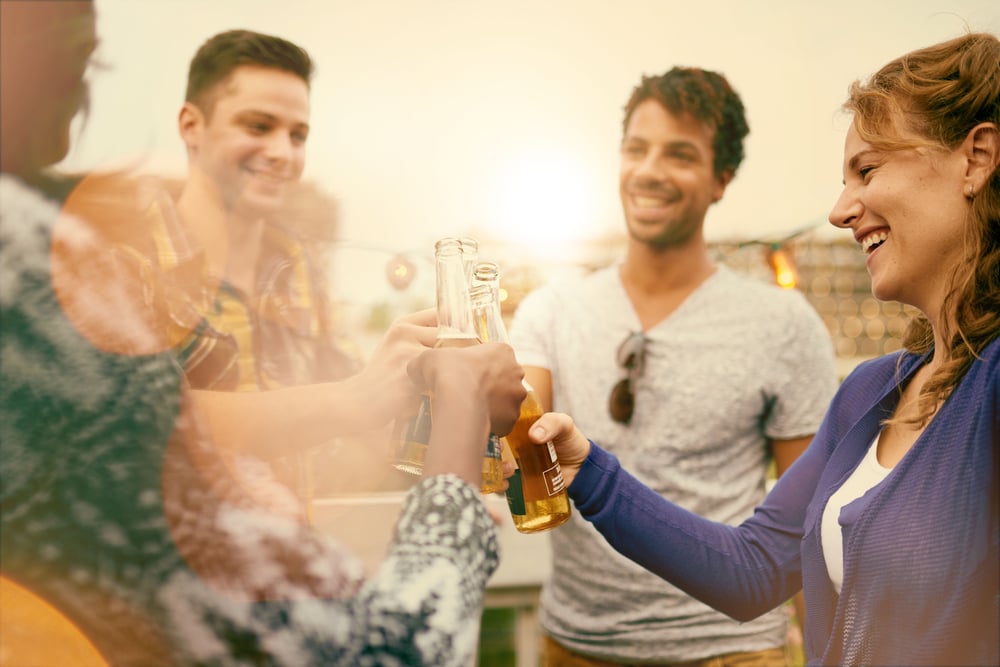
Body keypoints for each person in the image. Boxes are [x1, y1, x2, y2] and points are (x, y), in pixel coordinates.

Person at [0, 2, 528, 665]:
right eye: (258, 126)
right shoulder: (108, 255)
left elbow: (333, 449)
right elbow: (162, 433)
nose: (281, 151)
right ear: (190, 126)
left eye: (297, 133)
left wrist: (430, 428)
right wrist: (364, 402)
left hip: (285, 590)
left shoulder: (299, 272)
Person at [527, 31, 1000, 667]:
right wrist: (584, 469)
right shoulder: (868, 393)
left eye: (868, 169)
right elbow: (752, 571)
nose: (839, 209)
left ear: (977, 159)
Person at [508, 67, 837, 665]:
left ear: (721, 179)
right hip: (574, 647)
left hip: (732, 652)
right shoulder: (551, 310)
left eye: (679, 154)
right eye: (637, 149)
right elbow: (513, 423)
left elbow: (809, 534)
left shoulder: (783, 325)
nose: (650, 170)